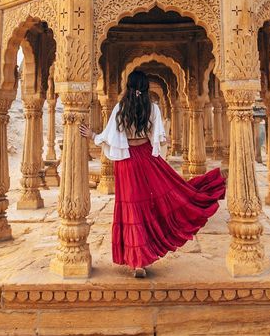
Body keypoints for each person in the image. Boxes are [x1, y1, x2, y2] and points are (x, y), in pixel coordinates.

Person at [80, 70, 226, 277]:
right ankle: (211, 185)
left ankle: (137, 261)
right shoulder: (153, 108)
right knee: (158, 199)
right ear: (146, 87)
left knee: (132, 208)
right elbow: (158, 137)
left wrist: (92, 135)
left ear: (129, 86)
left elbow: (109, 136)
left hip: (126, 161)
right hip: (147, 157)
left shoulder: (121, 108)